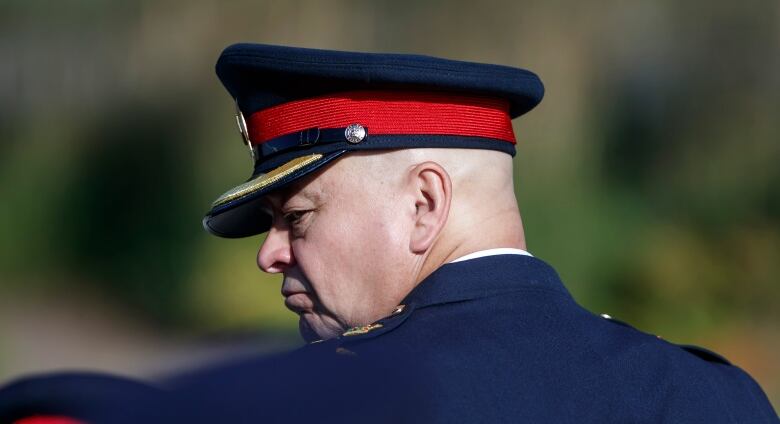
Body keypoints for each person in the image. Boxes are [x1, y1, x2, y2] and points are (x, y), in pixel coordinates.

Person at [1, 43, 777, 423]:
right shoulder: (714, 397)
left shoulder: (325, 403)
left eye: (296, 217)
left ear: (423, 205)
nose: (270, 254)